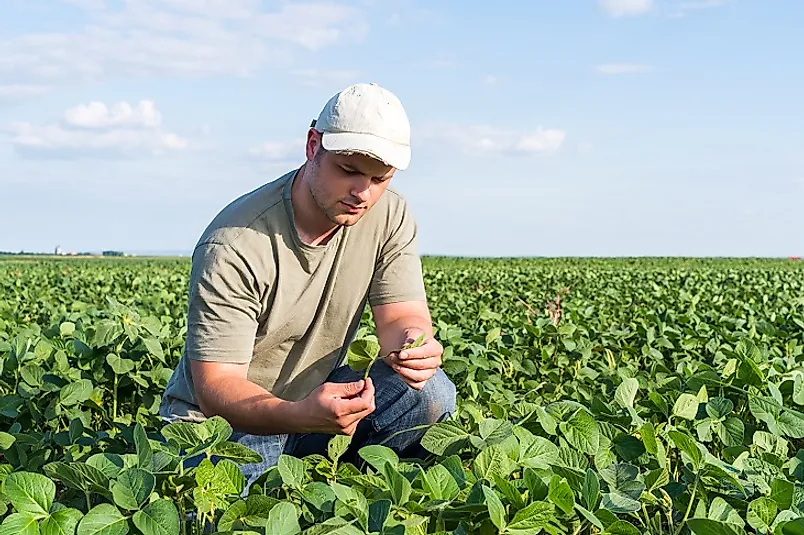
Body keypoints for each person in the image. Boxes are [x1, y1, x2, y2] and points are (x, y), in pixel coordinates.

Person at [158, 82, 457, 489]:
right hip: (225, 425)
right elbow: (216, 387)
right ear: (313, 145)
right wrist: (300, 414)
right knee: (236, 507)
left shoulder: (389, 215)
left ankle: (371, 500)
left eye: (379, 178)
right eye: (348, 170)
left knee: (428, 391)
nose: (362, 192)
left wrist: (413, 345)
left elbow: (402, 317)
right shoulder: (236, 243)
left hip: (318, 403)